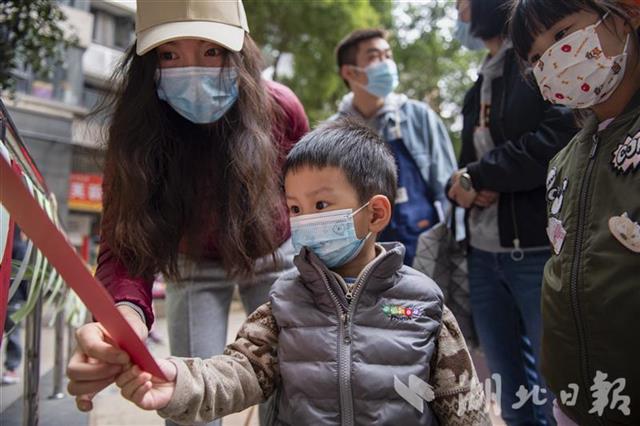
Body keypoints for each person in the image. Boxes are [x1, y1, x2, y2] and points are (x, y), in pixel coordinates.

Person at [113, 118, 490, 425]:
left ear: (375, 213)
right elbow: (240, 370)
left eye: (321, 203)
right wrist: (178, 383)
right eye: (294, 209)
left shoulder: (423, 303)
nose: (305, 221)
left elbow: (463, 405)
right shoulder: (284, 300)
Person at [65, 1, 309, 424]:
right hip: (193, 261)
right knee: (184, 400)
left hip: (275, 254)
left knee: (294, 389)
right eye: (169, 54)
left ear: (242, 53)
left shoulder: (282, 109)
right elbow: (125, 241)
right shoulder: (136, 130)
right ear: (146, 63)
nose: (192, 71)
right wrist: (122, 320)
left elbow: (307, 199)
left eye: (212, 51)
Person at [447, 0, 578, 424]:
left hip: (537, 252)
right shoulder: (477, 85)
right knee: (508, 389)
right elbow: (464, 172)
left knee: (558, 388)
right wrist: (466, 184)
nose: (460, 15)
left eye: (463, 4)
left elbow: (558, 139)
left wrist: (482, 175)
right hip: (484, 259)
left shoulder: (535, 67)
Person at [509, 0, 640, 424]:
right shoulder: (563, 160)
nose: (552, 59)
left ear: (622, 18)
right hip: (576, 402)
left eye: (563, 35)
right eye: (535, 57)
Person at [331, 28, 458, 266]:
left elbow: (447, 189)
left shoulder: (419, 117)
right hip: (359, 260)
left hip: (424, 253)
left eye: (388, 55)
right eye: (374, 56)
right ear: (349, 72)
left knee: (417, 306)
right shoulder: (332, 133)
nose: (386, 63)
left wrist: (451, 246)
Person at [1, 226, 29, 385]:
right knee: (13, 334)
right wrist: (26, 297)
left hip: (6, 296)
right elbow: (25, 275)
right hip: (14, 298)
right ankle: (11, 369)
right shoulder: (20, 247)